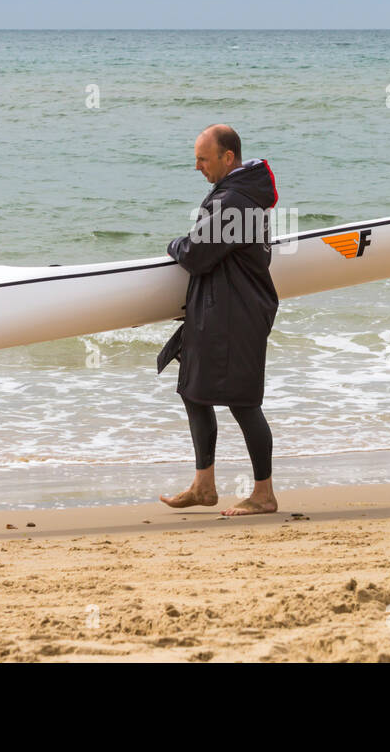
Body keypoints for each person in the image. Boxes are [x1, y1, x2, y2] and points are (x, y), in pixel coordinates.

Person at [157, 124, 280, 516]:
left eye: (203, 159)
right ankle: (203, 485)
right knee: (193, 391)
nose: (197, 166)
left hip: (237, 315)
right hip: (218, 310)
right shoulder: (238, 193)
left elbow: (195, 255)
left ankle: (263, 494)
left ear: (228, 158)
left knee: (243, 402)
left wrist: (173, 244)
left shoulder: (235, 201)